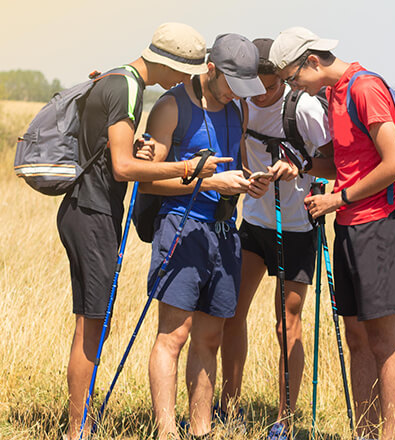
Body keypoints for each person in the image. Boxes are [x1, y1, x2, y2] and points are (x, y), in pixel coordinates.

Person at [56, 22, 231, 440]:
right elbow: (122, 169)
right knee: (92, 325)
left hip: (90, 211)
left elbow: (113, 152)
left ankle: (80, 424)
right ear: (170, 63)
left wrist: (142, 153)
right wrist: (187, 168)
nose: (181, 82)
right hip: (92, 212)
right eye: (182, 71)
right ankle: (77, 430)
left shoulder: (116, 78)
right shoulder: (128, 89)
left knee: (93, 322)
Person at [271, 27, 395, 440]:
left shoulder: (365, 88)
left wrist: (338, 199)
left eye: (292, 79)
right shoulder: (334, 95)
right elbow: (346, 162)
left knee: (384, 338)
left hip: (380, 223)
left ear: (312, 61)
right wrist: (301, 167)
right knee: (356, 336)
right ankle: (364, 433)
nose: (292, 87)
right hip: (351, 225)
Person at [140, 33, 271, 440]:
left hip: (223, 233)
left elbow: (236, 164)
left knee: (211, 336)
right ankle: (166, 431)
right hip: (181, 227)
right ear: (210, 70)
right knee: (174, 335)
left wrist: (250, 182)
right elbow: (148, 183)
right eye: (232, 83)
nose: (237, 94)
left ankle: (201, 429)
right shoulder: (170, 107)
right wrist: (210, 181)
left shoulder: (238, 110)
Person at [218, 37, 333, 439]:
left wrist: (297, 164)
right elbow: (242, 151)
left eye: (270, 86)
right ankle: (227, 410)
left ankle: (284, 420)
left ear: (282, 79)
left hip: (297, 226)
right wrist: (252, 180)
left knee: (287, 325)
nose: (262, 94)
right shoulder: (242, 103)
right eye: (256, 86)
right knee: (231, 313)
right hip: (254, 222)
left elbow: (335, 161)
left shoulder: (301, 107)